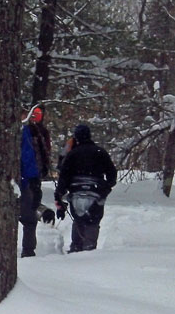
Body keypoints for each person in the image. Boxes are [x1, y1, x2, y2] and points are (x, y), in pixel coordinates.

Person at [54, 124, 117, 253]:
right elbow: (112, 174)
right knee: (93, 222)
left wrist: (59, 198)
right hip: (96, 191)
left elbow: (63, 177)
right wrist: (105, 188)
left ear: (76, 137)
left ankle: (76, 248)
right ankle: (90, 250)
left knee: (78, 220)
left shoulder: (72, 155)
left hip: (76, 192)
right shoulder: (100, 152)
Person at [19, 106, 52, 257]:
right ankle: (28, 251)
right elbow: (29, 156)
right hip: (26, 179)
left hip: (25, 178)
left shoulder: (35, 131)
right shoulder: (28, 131)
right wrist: (34, 177)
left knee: (27, 212)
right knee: (29, 217)